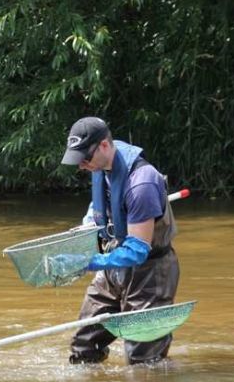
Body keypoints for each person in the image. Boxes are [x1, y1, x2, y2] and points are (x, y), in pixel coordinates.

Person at [59, 116, 180, 365]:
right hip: (113, 266)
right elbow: (99, 205)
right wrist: (88, 225)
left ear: (104, 145)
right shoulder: (101, 167)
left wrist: (88, 262)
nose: (81, 166)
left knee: (143, 361)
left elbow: (137, 251)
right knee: (84, 345)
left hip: (150, 273)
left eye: (85, 158)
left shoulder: (141, 183)